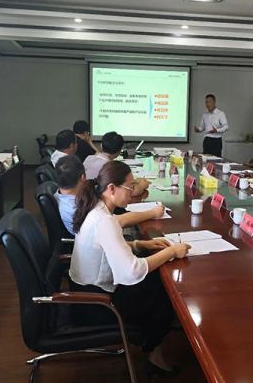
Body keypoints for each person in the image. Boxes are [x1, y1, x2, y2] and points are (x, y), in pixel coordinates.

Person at [69, 160, 190, 376]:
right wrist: (171, 251)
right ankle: (153, 350)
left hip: (86, 291)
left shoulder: (97, 209)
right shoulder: (103, 220)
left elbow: (108, 244)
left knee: (152, 268)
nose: (133, 191)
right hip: (98, 305)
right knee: (164, 286)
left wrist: (139, 244)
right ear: (111, 189)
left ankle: (156, 344)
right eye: (130, 187)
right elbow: (132, 271)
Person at [54, 155, 166, 235]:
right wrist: (153, 213)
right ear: (83, 177)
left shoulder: (59, 195)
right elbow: (119, 221)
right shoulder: (77, 206)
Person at [83, 131, 150, 196]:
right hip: (99, 200)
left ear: (101, 146)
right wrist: (142, 186)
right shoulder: (112, 168)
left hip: (85, 198)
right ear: (119, 151)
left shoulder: (88, 158)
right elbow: (129, 192)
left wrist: (135, 181)